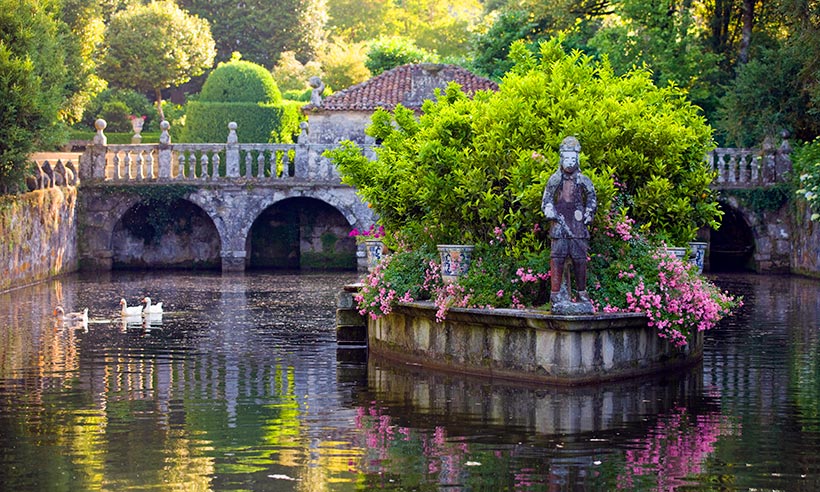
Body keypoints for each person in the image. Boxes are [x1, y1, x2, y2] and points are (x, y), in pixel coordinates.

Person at [541, 136, 597, 312]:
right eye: (567, 158)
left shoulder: (583, 179)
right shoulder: (555, 180)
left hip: (578, 226)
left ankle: (582, 293)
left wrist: (589, 213)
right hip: (559, 225)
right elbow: (547, 200)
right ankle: (556, 294)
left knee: (580, 259)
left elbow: (592, 198)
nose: (570, 162)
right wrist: (549, 210)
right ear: (561, 159)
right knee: (557, 258)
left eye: (573, 159)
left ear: (577, 159)